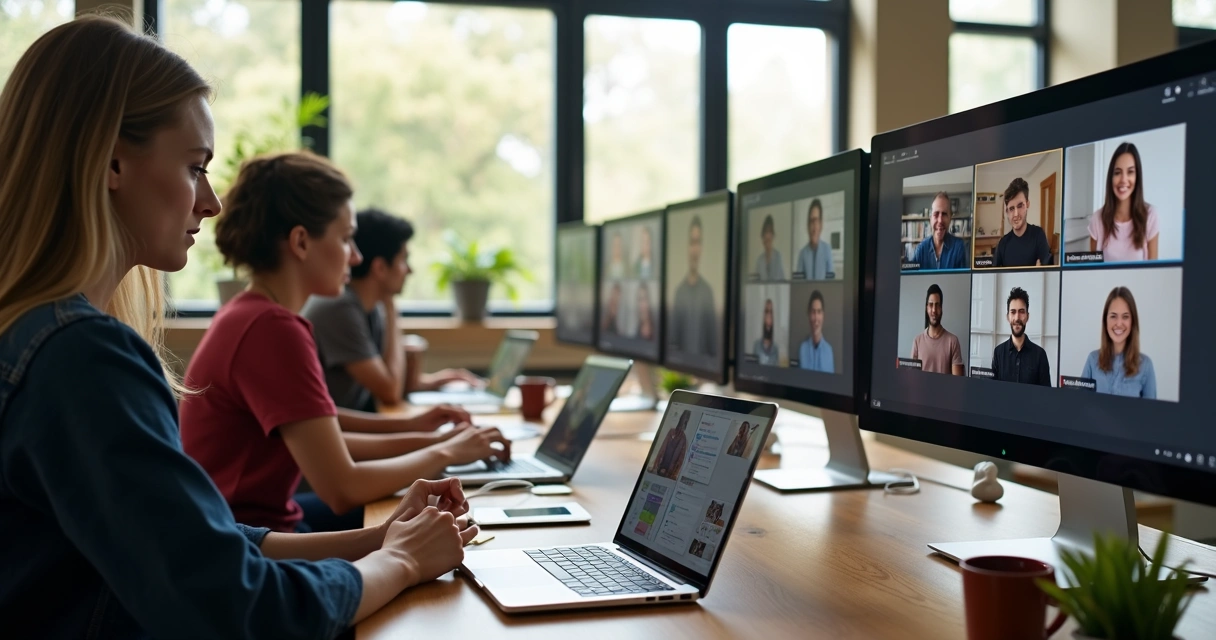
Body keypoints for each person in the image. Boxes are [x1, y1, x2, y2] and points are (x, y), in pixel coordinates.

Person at [0, 16, 475, 638]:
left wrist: (378, 540)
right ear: (111, 162)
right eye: (195, 167)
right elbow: (234, 606)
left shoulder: (40, 336)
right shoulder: (80, 356)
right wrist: (401, 561)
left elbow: (201, 545)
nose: (210, 200)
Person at [180, 151, 512, 534]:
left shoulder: (251, 313)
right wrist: (445, 451)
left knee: (416, 512)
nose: (355, 257)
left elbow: (324, 428)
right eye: (346, 238)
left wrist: (424, 435)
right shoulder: (272, 328)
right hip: (248, 541)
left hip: (259, 521)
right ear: (301, 242)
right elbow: (342, 487)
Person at [303, 208, 480, 412]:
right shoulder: (339, 309)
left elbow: (390, 380)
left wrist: (437, 382)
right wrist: (392, 309)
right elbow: (389, 391)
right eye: (403, 260)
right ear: (380, 268)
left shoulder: (369, 308)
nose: (410, 270)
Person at [1088, 142, 1160, 262]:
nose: (1123, 180)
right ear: (1111, 177)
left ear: (1137, 176)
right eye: (1117, 173)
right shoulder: (1097, 219)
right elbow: (1092, 272)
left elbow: (1153, 273)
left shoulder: (1151, 215)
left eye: (1130, 172)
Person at [1081, 287, 1157, 398]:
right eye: (1113, 316)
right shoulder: (1092, 360)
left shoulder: (1146, 365)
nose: (1119, 323)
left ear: (1133, 321)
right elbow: (1081, 406)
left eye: (1125, 317)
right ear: (1105, 320)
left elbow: (1152, 413)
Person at [669, 216, 717, 358]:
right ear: (687, 246)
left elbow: (712, 348)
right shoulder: (679, 293)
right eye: (692, 242)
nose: (695, 249)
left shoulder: (707, 292)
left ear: (701, 247)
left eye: (698, 242)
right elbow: (673, 344)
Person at [991, 287, 1051, 386]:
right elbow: (993, 391)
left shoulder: (1040, 355)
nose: (1017, 318)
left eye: (1021, 312)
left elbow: (1046, 396)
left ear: (1027, 316)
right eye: (1013, 312)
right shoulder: (998, 353)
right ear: (1007, 317)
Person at [993, 177, 1053, 267]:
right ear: (1007, 212)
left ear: (1027, 204)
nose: (1016, 214)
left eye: (1020, 206)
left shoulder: (1038, 235)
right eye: (1011, 209)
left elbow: (1048, 272)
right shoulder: (1003, 243)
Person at [911, 284, 965, 375]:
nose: (934, 310)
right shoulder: (917, 341)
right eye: (931, 305)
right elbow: (912, 379)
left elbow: (957, 384)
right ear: (926, 308)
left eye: (937, 305)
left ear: (941, 308)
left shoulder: (953, 341)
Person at [912, 192, 968, 270]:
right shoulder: (920, 249)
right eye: (936, 214)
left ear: (950, 218)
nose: (940, 220)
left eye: (944, 214)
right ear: (930, 218)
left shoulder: (959, 247)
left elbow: (963, 280)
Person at [796, 199, 834, 279]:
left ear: (821, 224)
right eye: (811, 221)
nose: (814, 226)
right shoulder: (802, 254)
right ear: (808, 225)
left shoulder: (827, 250)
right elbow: (798, 284)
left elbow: (831, 283)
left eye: (816, 220)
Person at [798, 290, 835, 373]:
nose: (816, 318)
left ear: (823, 316)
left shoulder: (829, 351)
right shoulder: (802, 349)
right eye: (813, 312)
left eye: (819, 312)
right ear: (809, 315)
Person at [653, 410, 692, 480]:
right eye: (682, 420)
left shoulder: (683, 438)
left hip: (670, 470)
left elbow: (681, 458)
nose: (682, 424)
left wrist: (674, 473)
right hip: (665, 467)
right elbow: (662, 448)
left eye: (685, 423)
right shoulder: (672, 432)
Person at [755, 214, 785, 280]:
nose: (767, 236)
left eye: (769, 232)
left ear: (773, 236)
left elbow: (782, 281)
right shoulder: (759, 261)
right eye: (765, 233)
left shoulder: (778, 257)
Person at [753, 299, 781, 365]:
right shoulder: (756, 346)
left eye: (771, 312)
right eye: (766, 312)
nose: (768, 316)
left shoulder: (775, 349)